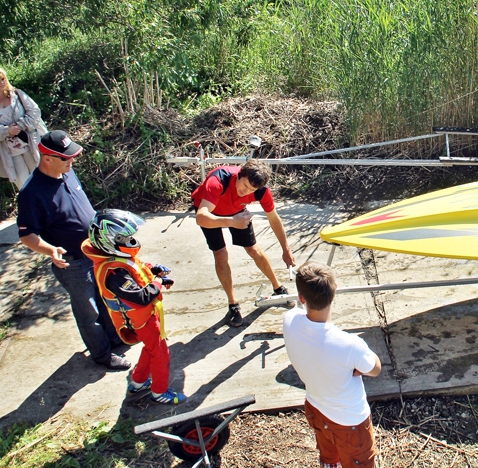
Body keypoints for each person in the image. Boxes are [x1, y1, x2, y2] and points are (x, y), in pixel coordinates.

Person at [17, 130, 130, 370]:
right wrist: (50, 250)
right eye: (66, 158)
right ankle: (102, 355)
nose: (72, 161)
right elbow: (27, 235)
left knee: (105, 298)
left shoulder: (67, 172)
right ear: (46, 158)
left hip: (96, 252)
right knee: (88, 311)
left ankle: (113, 339)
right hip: (73, 263)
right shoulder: (31, 193)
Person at [82, 209, 187, 404]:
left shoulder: (116, 260)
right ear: (110, 241)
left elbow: (136, 270)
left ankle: (138, 382)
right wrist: (158, 283)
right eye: (125, 238)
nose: (131, 241)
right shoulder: (114, 273)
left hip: (147, 318)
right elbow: (141, 297)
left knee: (150, 348)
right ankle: (159, 392)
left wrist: (153, 270)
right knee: (161, 353)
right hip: (141, 321)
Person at [283, 262, 382, 468]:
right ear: (334, 293)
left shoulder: (289, 320)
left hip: (316, 409)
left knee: (330, 459)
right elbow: (375, 368)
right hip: (351, 423)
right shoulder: (349, 345)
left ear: (302, 298)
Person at [192, 159, 296, 327]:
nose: (245, 192)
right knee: (220, 254)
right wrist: (232, 221)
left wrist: (286, 249)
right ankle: (233, 304)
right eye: (245, 186)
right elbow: (201, 217)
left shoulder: (261, 191)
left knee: (253, 249)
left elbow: (274, 218)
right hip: (211, 215)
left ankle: (278, 288)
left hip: (236, 211)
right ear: (240, 175)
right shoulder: (218, 181)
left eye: (252, 190)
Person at [0, 68, 48, 189]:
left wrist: (21, 125)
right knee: (24, 186)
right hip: (10, 152)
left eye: (2, 79)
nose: (1, 82)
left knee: (43, 177)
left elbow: (35, 112)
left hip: (31, 142)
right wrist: (7, 131)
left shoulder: (17, 94)